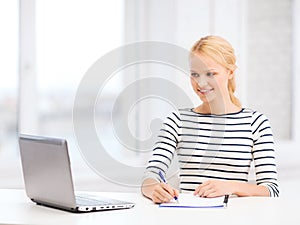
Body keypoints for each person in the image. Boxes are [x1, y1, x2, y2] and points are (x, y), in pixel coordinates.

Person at [141, 35, 279, 203]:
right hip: (186, 216)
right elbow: (151, 176)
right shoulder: (177, 120)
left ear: (230, 72)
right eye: (195, 74)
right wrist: (154, 189)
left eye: (210, 74)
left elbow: (271, 190)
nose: (201, 83)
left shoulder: (256, 123)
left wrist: (231, 186)